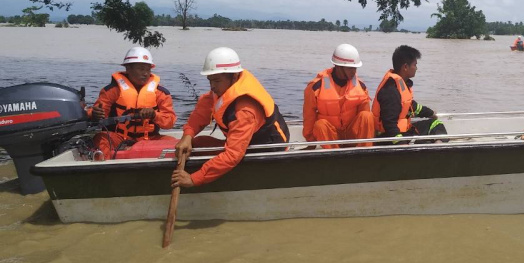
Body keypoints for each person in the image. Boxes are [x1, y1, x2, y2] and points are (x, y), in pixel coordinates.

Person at [171, 47, 289, 188]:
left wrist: (194, 179)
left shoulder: (244, 111)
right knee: (198, 142)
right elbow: (201, 112)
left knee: (206, 148)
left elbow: (233, 155)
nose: (212, 86)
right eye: (210, 81)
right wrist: (187, 136)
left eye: (216, 81)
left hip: (267, 150)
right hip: (246, 143)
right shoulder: (224, 88)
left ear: (234, 77)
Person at [88, 46, 177, 158]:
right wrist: (94, 114)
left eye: (148, 69)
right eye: (141, 69)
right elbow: (98, 115)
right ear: (128, 68)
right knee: (100, 139)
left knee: (177, 144)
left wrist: (154, 115)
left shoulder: (161, 93)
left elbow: (170, 122)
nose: (145, 73)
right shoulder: (111, 91)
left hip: (150, 139)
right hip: (119, 138)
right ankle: (104, 169)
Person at [302, 43, 375, 149]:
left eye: (355, 68)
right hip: (331, 137)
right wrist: (310, 143)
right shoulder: (316, 87)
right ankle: (333, 157)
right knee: (320, 125)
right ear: (339, 67)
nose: (354, 72)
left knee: (367, 116)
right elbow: (309, 117)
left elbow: (365, 122)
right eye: (350, 68)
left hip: (352, 135)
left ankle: (365, 152)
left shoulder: (361, 87)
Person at [372, 45, 448, 144]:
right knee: (426, 140)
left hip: (404, 132)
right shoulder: (390, 91)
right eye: (415, 65)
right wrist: (402, 144)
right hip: (390, 138)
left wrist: (431, 113)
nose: (416, 68)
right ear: (405, 67)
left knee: (435, 123)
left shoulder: (401, 84)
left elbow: (412, 107)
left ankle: (438, 145)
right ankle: (437, 150)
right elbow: (389, 124)